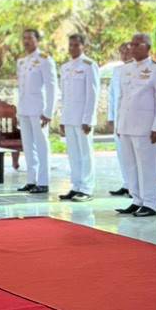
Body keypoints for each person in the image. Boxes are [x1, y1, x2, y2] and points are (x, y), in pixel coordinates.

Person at [114, 32, 156, 219]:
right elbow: (121, 98)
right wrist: (119, 124)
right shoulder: (125, 69)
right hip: (127, 125)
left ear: (148, 47)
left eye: (137, 44)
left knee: (148, 166)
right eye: (131, 44)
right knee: (130, 165)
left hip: (146, 126)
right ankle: (137, 200)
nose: (133, 47)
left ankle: (150, 203)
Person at [57, 33, 99, 202]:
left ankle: (87, 189)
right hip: (69, 117)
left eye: (76, 45)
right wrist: (62, 119)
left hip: (83, 118)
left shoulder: (89, 65)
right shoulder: (65, 67)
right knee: (73, 154)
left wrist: (88, 119)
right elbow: (64, 96)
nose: (72, 48)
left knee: (85, 153)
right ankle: (76, 186)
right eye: (70, 45)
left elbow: (92, 94)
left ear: (83, 46)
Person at [15, 29, 57, 195]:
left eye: (30, 38)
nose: (26, 41)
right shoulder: (22, 62)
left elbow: (51, 86)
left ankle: (43, 181)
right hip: (25, 107)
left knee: (41, 145)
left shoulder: (45, 60)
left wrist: (48, 111)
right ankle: (31, 180)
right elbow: (21, 88)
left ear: (37, 40)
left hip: (39, 108)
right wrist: (18, 110)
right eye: (24, 38)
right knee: (28, 146)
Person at [107, 42, 134, 197]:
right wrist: (111, 118)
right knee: (122, 154)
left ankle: (135, 187)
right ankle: (127, 183)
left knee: (133, 155)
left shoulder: (139, 70)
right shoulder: (117, 70)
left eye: (127, 51)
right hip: (119, 118)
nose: (124, 54)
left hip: (131, 118)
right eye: (122, 51)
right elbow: (112, 95)